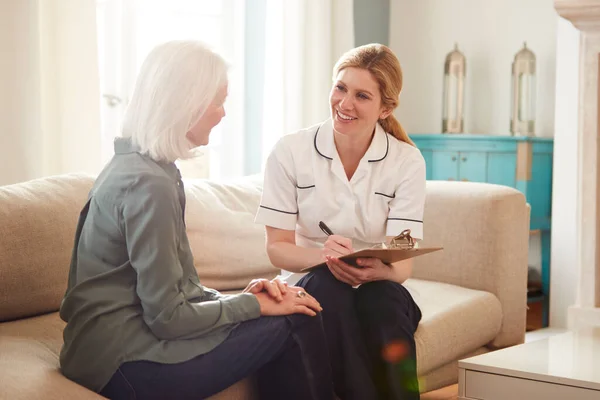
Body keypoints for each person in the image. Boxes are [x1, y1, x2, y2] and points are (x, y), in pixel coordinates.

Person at [59, 40, 334, 400]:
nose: (223, 113)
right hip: (125, 364)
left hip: (105, 348)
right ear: (185, 103)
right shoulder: (150, 185)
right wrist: (252, 306)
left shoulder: (140, 166)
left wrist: (241, 298)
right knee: (299, 316)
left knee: (287, 307)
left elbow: (171, 293)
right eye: (218, 101)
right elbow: (168, 319)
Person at [255, 43, 425, 400]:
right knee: (328, 289)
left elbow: (403, 257)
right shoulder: (290, 151)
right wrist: (326, 258)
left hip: (375, 284)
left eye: (362, 95)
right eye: (340, 88)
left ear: (386, 108)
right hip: (311, 279)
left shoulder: (407, 161)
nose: (345, 104)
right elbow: (277, 248)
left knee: (387, 300)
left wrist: (383, 271)